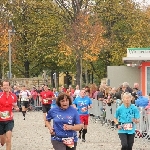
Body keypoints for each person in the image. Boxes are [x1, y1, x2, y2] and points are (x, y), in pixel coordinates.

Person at [0, 80, 19, 150]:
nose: (5, 87)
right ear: (2, 87)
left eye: (7, 85)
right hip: (0, 121)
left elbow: (15, 105)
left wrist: (16, 108)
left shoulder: (14, 96)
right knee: (2, 141)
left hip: (9, 120)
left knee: (8, 139)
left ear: (9, 86)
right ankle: (2, 138)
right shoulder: (0, 95)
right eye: (4, 85)